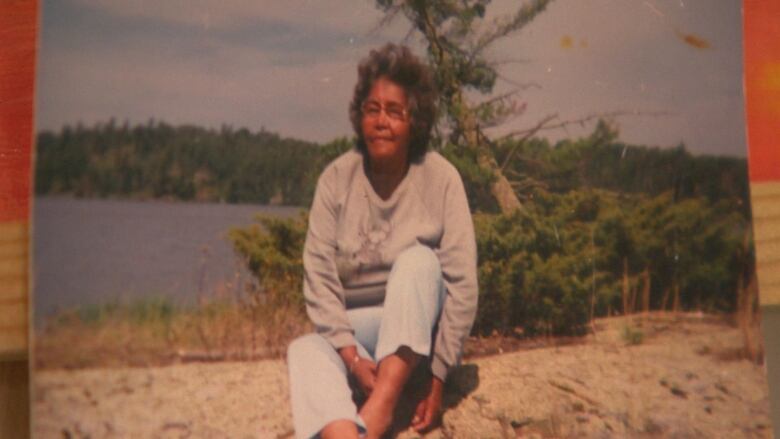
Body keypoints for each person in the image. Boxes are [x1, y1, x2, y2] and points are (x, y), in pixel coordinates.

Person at [287, 43, 478, 439]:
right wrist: (352, 357)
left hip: (417, 341)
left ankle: (382, 408)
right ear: (359, 117)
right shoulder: (337, 179)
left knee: (419, 262)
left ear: (415, 122)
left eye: (395, 112)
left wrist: (438, 378)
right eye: (372, 110)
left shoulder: (441, 178)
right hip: (360, 337)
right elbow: (319, 277)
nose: (381, 121)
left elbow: (462, 284)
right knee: (304, 349)